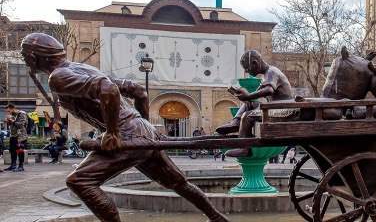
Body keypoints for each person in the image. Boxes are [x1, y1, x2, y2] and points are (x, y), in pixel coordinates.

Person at [20, 33, 228, 222]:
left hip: (127, 131)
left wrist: (112, 132)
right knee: (178, 183)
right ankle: (217, 218)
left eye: (25, 55)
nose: (25, 60)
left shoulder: (58, 77)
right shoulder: (83, 68)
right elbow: (138, 91)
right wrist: (144, 126)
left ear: (35, 57)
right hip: (139, 128)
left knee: (79, 181)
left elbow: (108, 90)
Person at [225, 50, 294, 158]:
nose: (247, 71)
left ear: (255, 63)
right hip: (275, 109)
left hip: (284, 111)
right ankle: (235, 123)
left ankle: (243, 148)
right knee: (250, 104)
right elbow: (258, 94)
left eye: (247, 68)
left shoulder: (271, 72)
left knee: (247, 117)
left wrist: (248, 96)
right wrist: (246, 96)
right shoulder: (267, 74)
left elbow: (269, 90)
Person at [4, 103, 28, 172]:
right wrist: (8, 121)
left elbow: (21, 124)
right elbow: (12, 125)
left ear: (12, 109)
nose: (8, 113)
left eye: (9, 111)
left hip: (20, 136)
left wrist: (11, 120)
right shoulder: (12, 115)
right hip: (13, 136)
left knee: (20, 150)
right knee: (12, 150)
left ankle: (21, 166)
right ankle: (13, 165)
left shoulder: (21, 114)